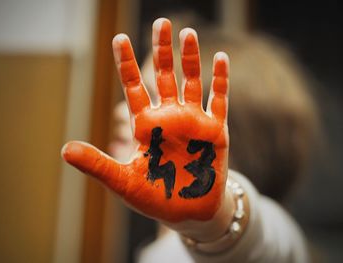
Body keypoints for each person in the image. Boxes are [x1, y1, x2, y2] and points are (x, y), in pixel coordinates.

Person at [62, 18, 318, 262]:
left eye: (153, 100)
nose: (120, 112)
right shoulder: (157, 249)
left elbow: (265, 244)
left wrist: (216, 221)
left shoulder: (280, 234)